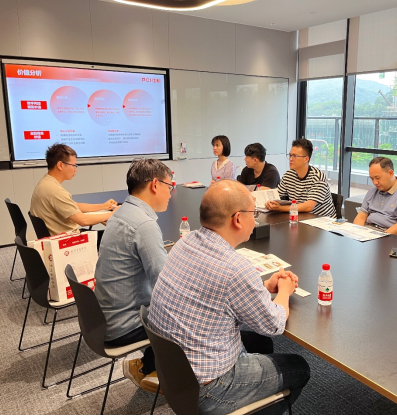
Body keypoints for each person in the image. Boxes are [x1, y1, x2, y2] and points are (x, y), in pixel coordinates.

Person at [148, 180, 311, 415]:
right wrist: (284, 290)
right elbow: (274, 324)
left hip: (173, 371)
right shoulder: (235, 269)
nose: (255, 220)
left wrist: (265, 286)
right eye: (254, 213)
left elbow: (215, 292)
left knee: (261, 343)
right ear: (237, 219)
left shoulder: (185, 243)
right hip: (208, 389)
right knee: (299, 367)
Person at [95, 159, 173, 394]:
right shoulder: (144, 224)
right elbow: (166, 286)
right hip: (124, 325)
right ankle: (168, 373)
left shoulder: (122, 213)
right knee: (192, 310)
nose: (171, 193)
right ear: (155, 185)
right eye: (170, 185)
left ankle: (148, 365)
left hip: (105, 317)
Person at [30, 144, 117, 236]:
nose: (75, 170)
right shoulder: (54, 190)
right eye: (74, 165)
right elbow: (83, 220)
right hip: (69, 241)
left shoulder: (46, 183)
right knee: (115, 237)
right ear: (60, 165)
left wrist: (103, 206)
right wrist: (113, 214)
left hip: (61, 238)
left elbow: (76, 206)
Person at [266, 138, 336, 218]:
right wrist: (270, 203)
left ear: (306, 159)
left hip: (323, 220)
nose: (291, 159)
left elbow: (309, 207)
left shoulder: (318, 176)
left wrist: (280, 208)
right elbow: (276, 196)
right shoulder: (288, 175)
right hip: (300, 217)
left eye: (295, 156)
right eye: (290, 155)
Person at [353, 157, 397, 235]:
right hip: (368, 231)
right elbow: (361, 217)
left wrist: (379, 237)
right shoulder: (372, 191)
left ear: (390, 173)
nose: (375, 182)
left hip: (390, 236)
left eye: (377, 178)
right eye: (372, 179)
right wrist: (356, 233)